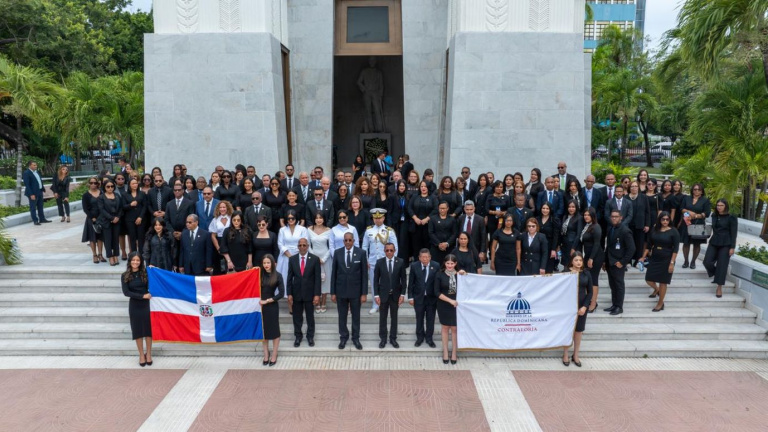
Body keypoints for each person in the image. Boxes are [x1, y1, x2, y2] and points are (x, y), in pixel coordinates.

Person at [331, 232, 369, 350]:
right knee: (342, 316)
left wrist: (364, 293)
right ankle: (343, 337)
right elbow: (334, 274)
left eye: (349, 240)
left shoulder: (361, 253)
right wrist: (333, 292)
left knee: (356, 316)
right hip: (341, 290)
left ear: (353, 241)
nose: (347, 242)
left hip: (356, 292)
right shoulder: (337, 253)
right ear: (343, 241)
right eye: (345, 240)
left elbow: (364, 275)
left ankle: (356, 338)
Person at [639, 211, 680, 312]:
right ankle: (657, 290)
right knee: (648, 278)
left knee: (663, 282)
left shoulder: (674, 231)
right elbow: (649, 245)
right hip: (655, 257)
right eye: (663, 219)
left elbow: (676, 249)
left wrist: (672, 263)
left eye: (667, 219)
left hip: (667, 258)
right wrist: (643, 257)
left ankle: (660, 302)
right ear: (660, 220)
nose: (665, 221)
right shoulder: (655, 230)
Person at [363, 208, 399, 314]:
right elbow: (364, 247)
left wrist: (393, 260)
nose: (377, 220)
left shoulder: (389, 230)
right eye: (375, 218)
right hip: (373, 261)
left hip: (385, 261)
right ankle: (375, 304)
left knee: (385, 283)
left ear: (383, 218)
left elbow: (395, 247)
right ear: (373, 219)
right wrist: (366, 260)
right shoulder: (369, 230)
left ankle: (385, 302)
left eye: (380, 218)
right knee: (374, 283)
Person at [286, 238, 321, 348]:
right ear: (297, 246)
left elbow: (317, 279)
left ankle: (310, 337)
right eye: (300, 245)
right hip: (296, 294)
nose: (302, 247)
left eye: (304, 245)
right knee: (297, 317)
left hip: (310, 294)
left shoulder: (315, 259)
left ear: (308, 246)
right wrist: (289, 294)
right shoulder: (292, 259)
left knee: (310, 317)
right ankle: (298, 336)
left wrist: (317, 294)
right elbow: (289, 278)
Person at [373, 242, 407, 348]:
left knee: (394, 318)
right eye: (387, 250)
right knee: (382, 318)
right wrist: (376, 295)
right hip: (383, 295)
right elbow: (375, 280)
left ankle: (393, 338)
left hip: (395, 296)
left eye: (391, 250)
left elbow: (404, 280)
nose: (389, 252)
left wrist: (402, 294)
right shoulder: (379, 262)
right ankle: (383, 339)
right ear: (384, 251)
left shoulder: (400, 262)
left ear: (394, 251)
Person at [122, 252, 152, 367]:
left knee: (148, 331)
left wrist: (154, 270)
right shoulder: (125, 275)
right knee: (138, 331)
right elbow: (126, 292)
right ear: (129, 261)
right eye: (133, 260)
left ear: (141, 262)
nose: (135, 262)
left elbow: (153, 284)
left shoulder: (145, 273)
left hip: (147, 305)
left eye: (137, 260)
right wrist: (142, 296)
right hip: (134, 305)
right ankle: (141, 354)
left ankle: (148, 353)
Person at [562, 252, 591, 368]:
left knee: (578, 331)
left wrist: (584, 306)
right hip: (568, 306)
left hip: (582, 306)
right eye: (576, 260)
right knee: (568, 330)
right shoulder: (565, 272)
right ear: (571, 261)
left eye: (580, 260)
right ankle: (565, 354)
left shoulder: (586, 273)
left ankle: (576, 355)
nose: (578, 262)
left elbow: (590, 293)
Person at [704, 199, 738, 299]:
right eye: (718, 205)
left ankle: (719, 287)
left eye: (721, 205)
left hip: (726, 243)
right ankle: (718, 274)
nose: (719, 207)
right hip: (714, 241)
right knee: (707, 262)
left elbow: (734, 233)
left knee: (722, 265)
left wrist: (732, 247)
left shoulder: (731, 217)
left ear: (725, 206)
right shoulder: (714, 216)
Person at [603, 210, 635, 315]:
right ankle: (614, 304)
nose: (614, 218)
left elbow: (631, 249)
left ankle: (619, 307)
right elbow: (608, 247)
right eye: (612, 216)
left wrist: (623, 262)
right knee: (612, 285)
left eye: (616, 217)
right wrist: (605, 261)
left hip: (618, 263)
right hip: (610, 262)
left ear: (621, 217)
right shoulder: (611, 228)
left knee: (619, 285)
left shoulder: (625, 231)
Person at [571, 208, 603, 312]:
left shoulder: (596, 227)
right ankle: (591, 301)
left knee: (594, 279)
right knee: (590, 280)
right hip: (588, 255)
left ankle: (593, 303)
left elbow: (597, 244)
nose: (586, 217)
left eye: (588, 215)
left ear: (593, 216)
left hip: (595, 257)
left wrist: (591, 259)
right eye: (585, 215)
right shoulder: (586, 226)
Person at [408, 248, 440, 348]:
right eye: (423, 257)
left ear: (430, 257)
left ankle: (429, 338)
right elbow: (411, 283)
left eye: (427, 257)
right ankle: (420, 338)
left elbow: (438, 282)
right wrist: (410, 297)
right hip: (418, 297)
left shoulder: (436, 265)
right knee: (419, 318)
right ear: (419, 257)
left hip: (431, 298)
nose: (425, 259)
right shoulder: (414, 266)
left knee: (430, 319)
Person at [435, 254, 462, 364]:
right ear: (444, 263)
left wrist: (465, 274)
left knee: (455, 329)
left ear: (455, 264)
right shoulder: (439, 275)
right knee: (445, 328)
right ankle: (445, 352)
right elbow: (437, 292)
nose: (450, 265)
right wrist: (450, 301)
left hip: (457, 305)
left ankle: (454, 352)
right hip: (444, 304)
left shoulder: (460, 275)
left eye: (452, 263)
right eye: (448, 263)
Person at [259, 254, 284, 366]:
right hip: (260, 306)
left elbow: (281, 293)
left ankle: (274, 354)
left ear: (273, 263)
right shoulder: (259, 274)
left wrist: (268, 300)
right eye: (264, 263)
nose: (266, 265)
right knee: (264, 331)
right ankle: (266, 354)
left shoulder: (278, 276)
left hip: (271, 305)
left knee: (274, 331)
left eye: (268, 263)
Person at [680, 183, 711, 269]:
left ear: (702, 191)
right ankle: (686, 261)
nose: (696, 191)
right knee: (686, 243)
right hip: (687, 223)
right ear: (692, 190)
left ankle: (693, 261)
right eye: (695, 189)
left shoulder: (705, 200)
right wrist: (688, 213)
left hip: (698, 224)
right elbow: (681, 209)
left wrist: (696, 216)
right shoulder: (686, 198)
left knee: (696, 244)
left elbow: (707, 213)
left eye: (699, 190)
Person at [308, 212, 333, 313]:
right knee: (315, 280)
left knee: (325, 281)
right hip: (313, 257)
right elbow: (308, 245)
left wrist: (324, 258)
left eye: (321, 218)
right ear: (314, 219)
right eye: (317, 218)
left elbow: (331, 246)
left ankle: (323, 302)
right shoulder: (309, 230)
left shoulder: (329, 230)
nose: (319, 220)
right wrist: (315, 258)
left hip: (326, 258)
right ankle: (316, 302)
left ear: (324, 219)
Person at [276, 209, 309, 283]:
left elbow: (305, 242)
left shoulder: (303, 229)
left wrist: (298, 254)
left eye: (292, 218)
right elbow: (280, 244)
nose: (291, 220)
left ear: (296, 218)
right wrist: (290, 256)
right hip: (285, 256)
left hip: (299, 255)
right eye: (289, 218)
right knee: (285, 276)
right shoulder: (282, 230)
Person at [407, 181, 436, 259]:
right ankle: (416, 262)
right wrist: (415, 218)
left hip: (428, 225)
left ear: (428, 187)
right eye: (422, 186)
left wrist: (427, 219)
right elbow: (409, 208)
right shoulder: (415, 196)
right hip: (416, 225)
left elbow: (435, 209)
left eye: (425, 186)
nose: (423, 188)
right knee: (416, 245)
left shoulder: (433, 197)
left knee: (427, 245)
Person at [98, 179, 123, 266]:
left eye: (112, 186)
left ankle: (116, 255)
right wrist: (111, 218)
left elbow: (120, 208)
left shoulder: (117, 195)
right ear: (104, 187)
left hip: (117, 221)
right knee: (108, 239)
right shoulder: (101, 197)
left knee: (116, 239)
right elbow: (102, 210)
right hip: (106, 221)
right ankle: (110, 256)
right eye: (108, 186)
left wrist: (118, 217)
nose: (110, 188)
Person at [627, 181, 651, 267]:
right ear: (629, 188)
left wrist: (647, 224)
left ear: (638, 187)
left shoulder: (643, 197)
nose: (634, 188)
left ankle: (637, 261)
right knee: (629, 243)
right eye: (632, 186)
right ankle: (628, 261)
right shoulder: (626, 197)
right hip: (628, 225)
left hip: (640, 224)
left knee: (639, 244)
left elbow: (647, 212)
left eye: (636, 186)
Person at [82, 176, 105, 263]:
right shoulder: (86, 195)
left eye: (95, 183)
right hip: (91, 218)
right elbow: (85, 208)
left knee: (100, 237)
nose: (93, 184)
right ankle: (94, 254)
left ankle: (100, 254)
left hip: (101, 218)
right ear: (89, 184)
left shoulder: (102, 193)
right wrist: (92, 217)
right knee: (92, 238)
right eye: (91, 183)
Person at [123, 178, 147, 255]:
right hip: (130, 219)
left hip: (141, 218)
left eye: (136, 183)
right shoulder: (125, 194)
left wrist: (140, 217)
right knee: (132, 237)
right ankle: (133, 254)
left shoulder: (142, 194)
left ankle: (141, 254)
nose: (135, 185)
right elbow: (123, 207)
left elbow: (145, 206)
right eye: (133, 183)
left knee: (141, 237)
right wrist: (130, 205)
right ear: (129, 185)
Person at [208, 201, 233, 275]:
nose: (222, 209)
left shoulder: (232, 218)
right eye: (220, 207)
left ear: (227, 208)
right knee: (219, 266)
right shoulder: (215, 220)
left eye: (224, 207)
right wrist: (218, 248)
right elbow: (213, 235)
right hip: (219, 242)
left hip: (230, 242)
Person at [23, 161, 50, 225]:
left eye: (36, 165)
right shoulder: (27, 173)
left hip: (39, 191)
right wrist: (31, 194)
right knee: (33, 207)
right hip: (33, 193)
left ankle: (42, 219)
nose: (36, 166)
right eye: (34, 165)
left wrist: (42, 188)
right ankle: (35, 220)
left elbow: (39, 181)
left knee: (40, 206)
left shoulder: (36, 172)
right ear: (30, 165)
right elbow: (27, 184)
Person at [537, 202, 560, 274]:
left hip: (550, 246)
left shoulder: (554, 220)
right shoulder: (537, 219)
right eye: (543, 208)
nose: (545, 210)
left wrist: (554, 249)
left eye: (547, 208)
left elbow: (556, 236)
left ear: (550, 210)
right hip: (538, 246)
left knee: (548, 268)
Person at [390, 180, 410, 260]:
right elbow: (390, 211)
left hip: (405, 221)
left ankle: (404, 261)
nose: (402, 187)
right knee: (396, 241)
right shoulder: (392, 196)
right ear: (397, 187)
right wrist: (390, 224)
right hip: (395, 222)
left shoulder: (408, 196)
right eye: (400, 186)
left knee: (403, 242)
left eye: (403, 186)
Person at [559, 201, 582, 270]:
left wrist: (573, 248)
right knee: (565, 265)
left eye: (573, 207)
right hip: (565, 245)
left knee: (572, 265)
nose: (571, 209)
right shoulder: (565, 217)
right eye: (569, 207)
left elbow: (578, 234)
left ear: (576, 208)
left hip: (573, 245)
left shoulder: (579, 218)